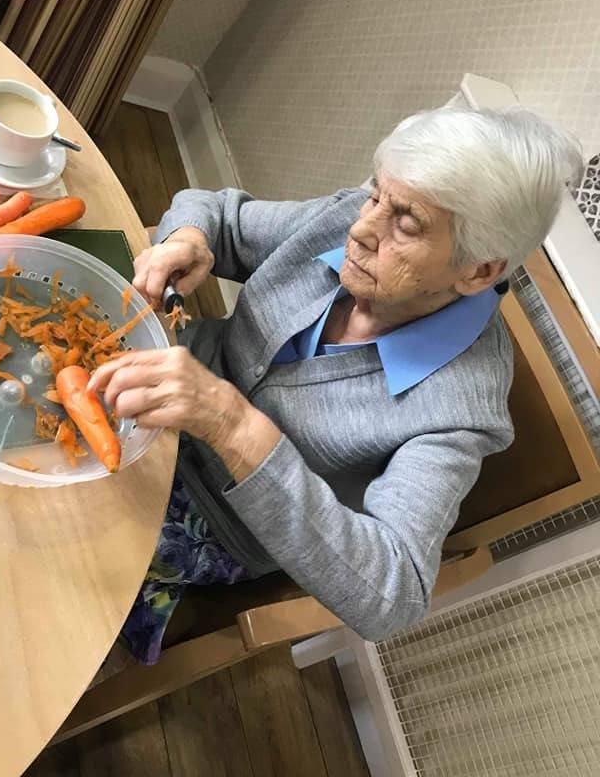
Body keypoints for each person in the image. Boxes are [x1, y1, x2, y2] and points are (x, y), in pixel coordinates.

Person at [88, 106, 582, 665]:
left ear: (478, 271)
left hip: (207, 514)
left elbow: (392, 598)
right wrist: (190, 239)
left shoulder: (462, 409)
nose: (362, 229)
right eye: (375, 194)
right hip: (151, 381)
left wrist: (232, 424)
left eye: (407, 225)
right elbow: (218, 213)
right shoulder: (358, 216)